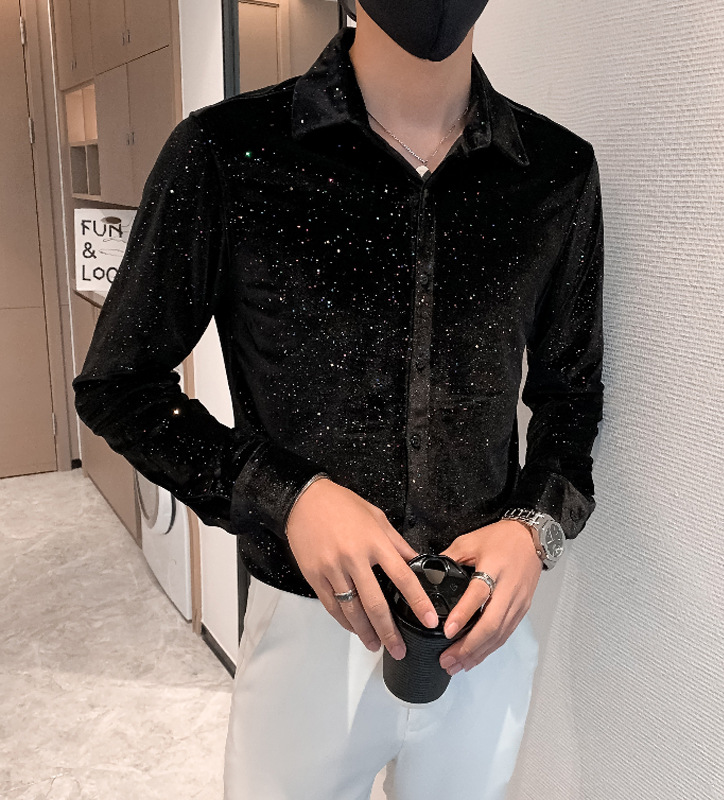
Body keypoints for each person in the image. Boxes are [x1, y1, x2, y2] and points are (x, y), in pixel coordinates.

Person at [73, 1, 605, 797]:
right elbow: (119, 386)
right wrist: (290, 497)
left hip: (481, 629)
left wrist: (536, 531)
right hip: (308, 632)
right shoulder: (227, 153)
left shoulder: (555, 172)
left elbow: (572, 395)